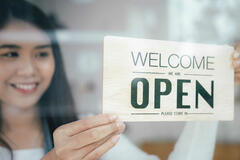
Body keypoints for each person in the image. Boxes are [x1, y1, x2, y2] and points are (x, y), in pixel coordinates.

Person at [0, 0, 238, 160]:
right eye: (10, 53)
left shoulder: (87, 132)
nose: (28, 69)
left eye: (42, 53)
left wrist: (211, 85)